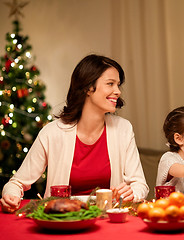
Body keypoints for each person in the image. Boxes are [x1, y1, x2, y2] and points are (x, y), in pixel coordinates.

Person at [1, 54, 149, 213]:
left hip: (108, 222)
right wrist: (11, 195)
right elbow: (16, 183)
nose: (118, 91)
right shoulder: (52, 133)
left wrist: (132, 193)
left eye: (118, 85)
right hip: (63, 220)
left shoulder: (123, 129)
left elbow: (140, 185)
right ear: (87, 88)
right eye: (110, 84)